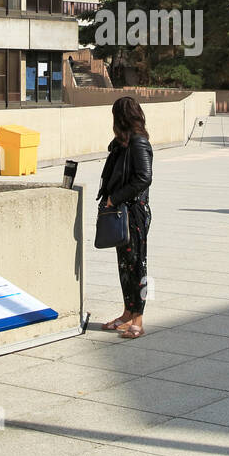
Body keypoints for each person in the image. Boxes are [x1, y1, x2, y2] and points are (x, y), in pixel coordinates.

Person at [97, 96, 153, 338]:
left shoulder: (139, 142)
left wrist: (114, 198)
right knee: (125, 266)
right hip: (123, 211)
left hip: (135, 211)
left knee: (137, 266)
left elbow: (144, 177)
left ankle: (137, 320)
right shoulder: (122, 144)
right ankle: (127, 313)